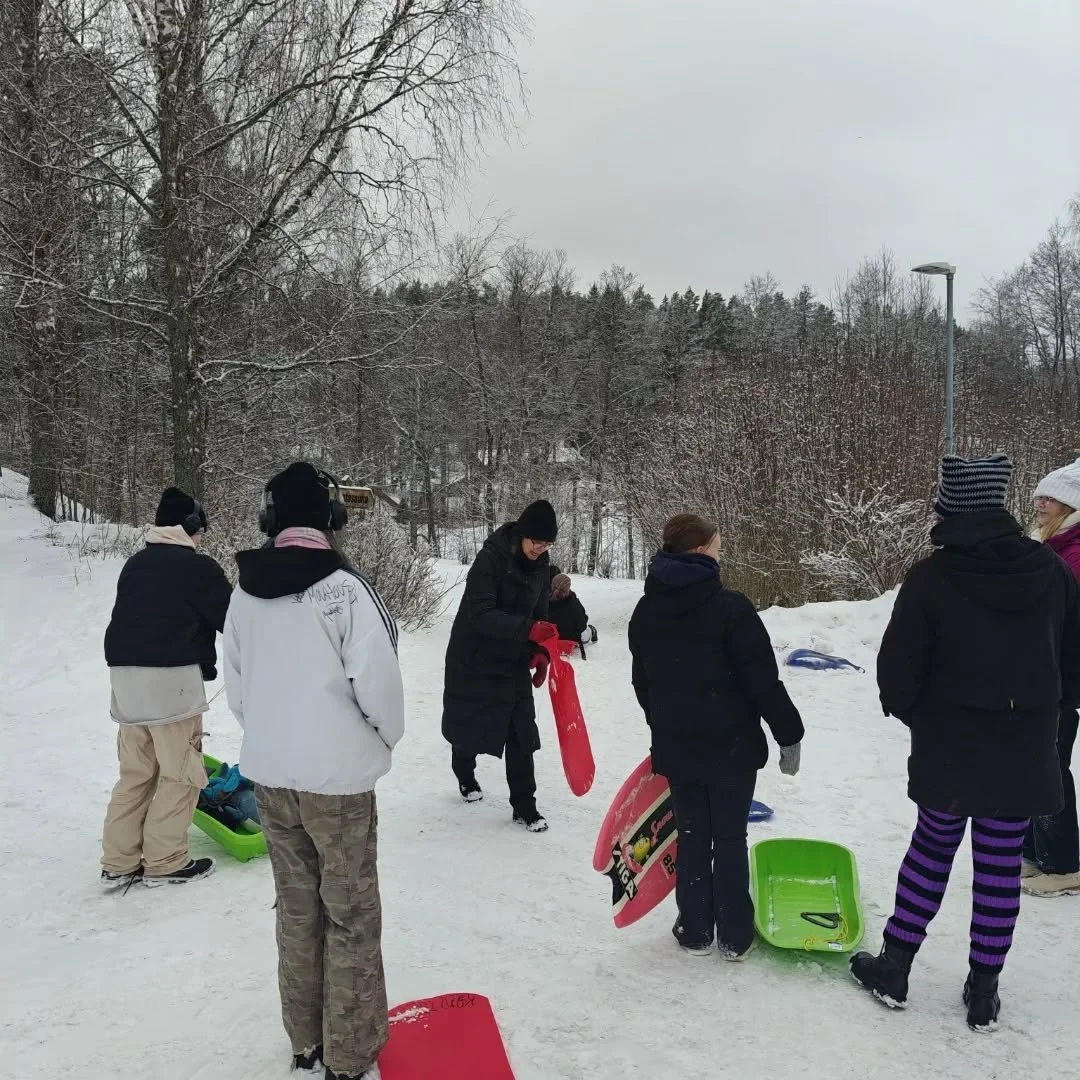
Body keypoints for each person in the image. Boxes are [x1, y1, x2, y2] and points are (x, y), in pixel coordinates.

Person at [852, 454, 1080, 1033]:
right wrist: (1049, 719)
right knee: (1001, 865)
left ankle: (896, 968)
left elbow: (896, 671)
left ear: (952, 508)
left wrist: (922, 719)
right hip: (1025, 744)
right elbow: (1073, 660)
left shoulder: (934, 576)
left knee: (931, 850)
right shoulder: (1050, 571)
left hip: (950, 746)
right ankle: (984, 992)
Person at [223, 462, 403, 1080]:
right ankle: (350, 1054)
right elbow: (379, 685)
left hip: (274, 779)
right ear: (332, 519)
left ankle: (305, 1040)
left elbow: (239, 693)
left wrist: (277, 740)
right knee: (350, 915)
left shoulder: (242, 593)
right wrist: (379, 741)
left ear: (269, 519)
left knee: (297, 909)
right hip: (339, 786)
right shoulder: (346, 590)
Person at [627, 513, 804, 960]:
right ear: (701, 549)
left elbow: (642, 683)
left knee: (691, 834)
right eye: (717, 542)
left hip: (679, 748)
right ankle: (734, 934)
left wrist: (665, 723)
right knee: (728, 837)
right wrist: (789, 733)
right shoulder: (731, 608)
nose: (721, 547)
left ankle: (694, 929)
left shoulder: (647, 610)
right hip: (732, 749)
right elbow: (762, 681)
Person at [101, 486, 231, 889]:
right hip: (169, 682)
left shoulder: (135, 564)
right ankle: (165, 861)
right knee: (181, 771)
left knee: (136, 772)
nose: (201, 539)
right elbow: (233, 619)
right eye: (200, 530)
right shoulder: (197, 567)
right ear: (190, 527)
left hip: (124, 681)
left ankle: (119, 860)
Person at [442, 499, 559, 832]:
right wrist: (527, 630)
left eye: (547, 542)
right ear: (522, 534)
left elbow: (542, 614)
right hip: (474, 658)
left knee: (522, 732)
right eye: (536, 540)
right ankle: (464, 772)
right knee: (470, 728)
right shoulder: (491, 559)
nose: (541, 548)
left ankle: (525, 806)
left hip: (513, 659)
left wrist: (540, 652)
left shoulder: (541, 564)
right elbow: (479, 613)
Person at [1023, 457, 1080, 897]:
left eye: (1050, 497)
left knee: (1051, 764)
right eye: (1040, 495)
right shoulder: (1050, 543)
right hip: (1036, 674)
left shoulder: (1074, 554)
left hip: (1059, 677)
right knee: (1027, 760)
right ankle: (1032, 853)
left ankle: (1064, 865)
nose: (1039, 502)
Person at [548, 565, 597, 657]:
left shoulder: (543, 600)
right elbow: (582, 622)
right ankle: (592, 631)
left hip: (551, 637)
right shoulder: (573, 601)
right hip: (571, 639)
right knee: (586, 630)